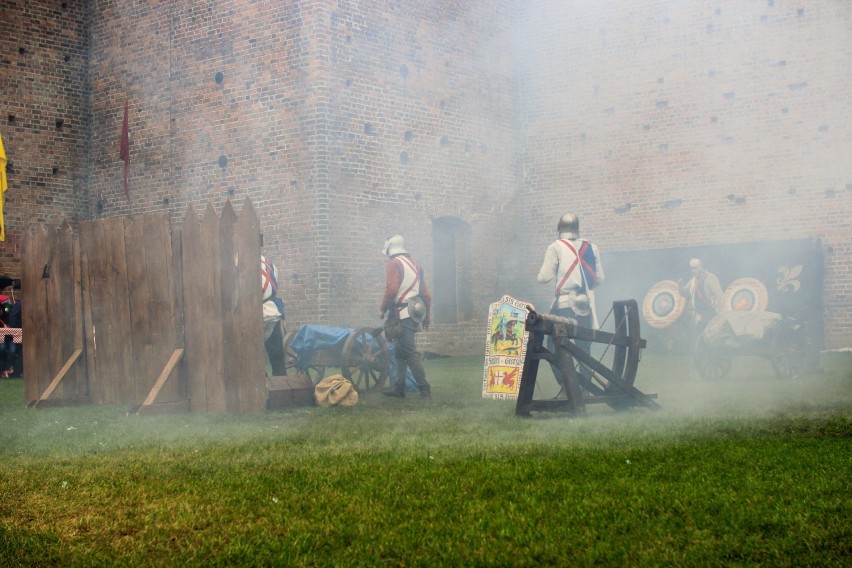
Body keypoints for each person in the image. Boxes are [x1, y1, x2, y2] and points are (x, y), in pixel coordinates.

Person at [536, 213, 605, 389]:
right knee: (583, 349)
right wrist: (582, 286)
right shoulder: (591, 247)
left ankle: (566, 384)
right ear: (577, 229)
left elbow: (543, 278)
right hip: (585, 305)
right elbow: (599, 278)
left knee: (552, 345)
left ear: (560, 228)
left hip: (564, 306)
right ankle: (587, 389)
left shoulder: (556, 247)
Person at [379, 235, 432, 399]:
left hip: (402, 315)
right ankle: (399, 388)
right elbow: (426, 295)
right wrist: (427, 317)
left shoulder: (393, 264)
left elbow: (392, 289)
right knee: (399, 353)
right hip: (414, 313)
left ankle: (425, 390)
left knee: (409, 354)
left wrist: (382, 309)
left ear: (389, 248)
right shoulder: (416, 265)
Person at [678, 258, 724, 326]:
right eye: (691, 269)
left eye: (694, 268)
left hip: (711, 314)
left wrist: (721, 315)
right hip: (699, 315)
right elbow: (684, 293)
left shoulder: (710, 278)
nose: (692, 271)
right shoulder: (693, 281)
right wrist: (680, 285)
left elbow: (720, 296)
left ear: (700, 268)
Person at [262, 255, 286, 376]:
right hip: (273, 312)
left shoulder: (242, 264)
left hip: (256, 314)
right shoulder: (270, 265)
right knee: (277, 355)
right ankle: (281, 381)